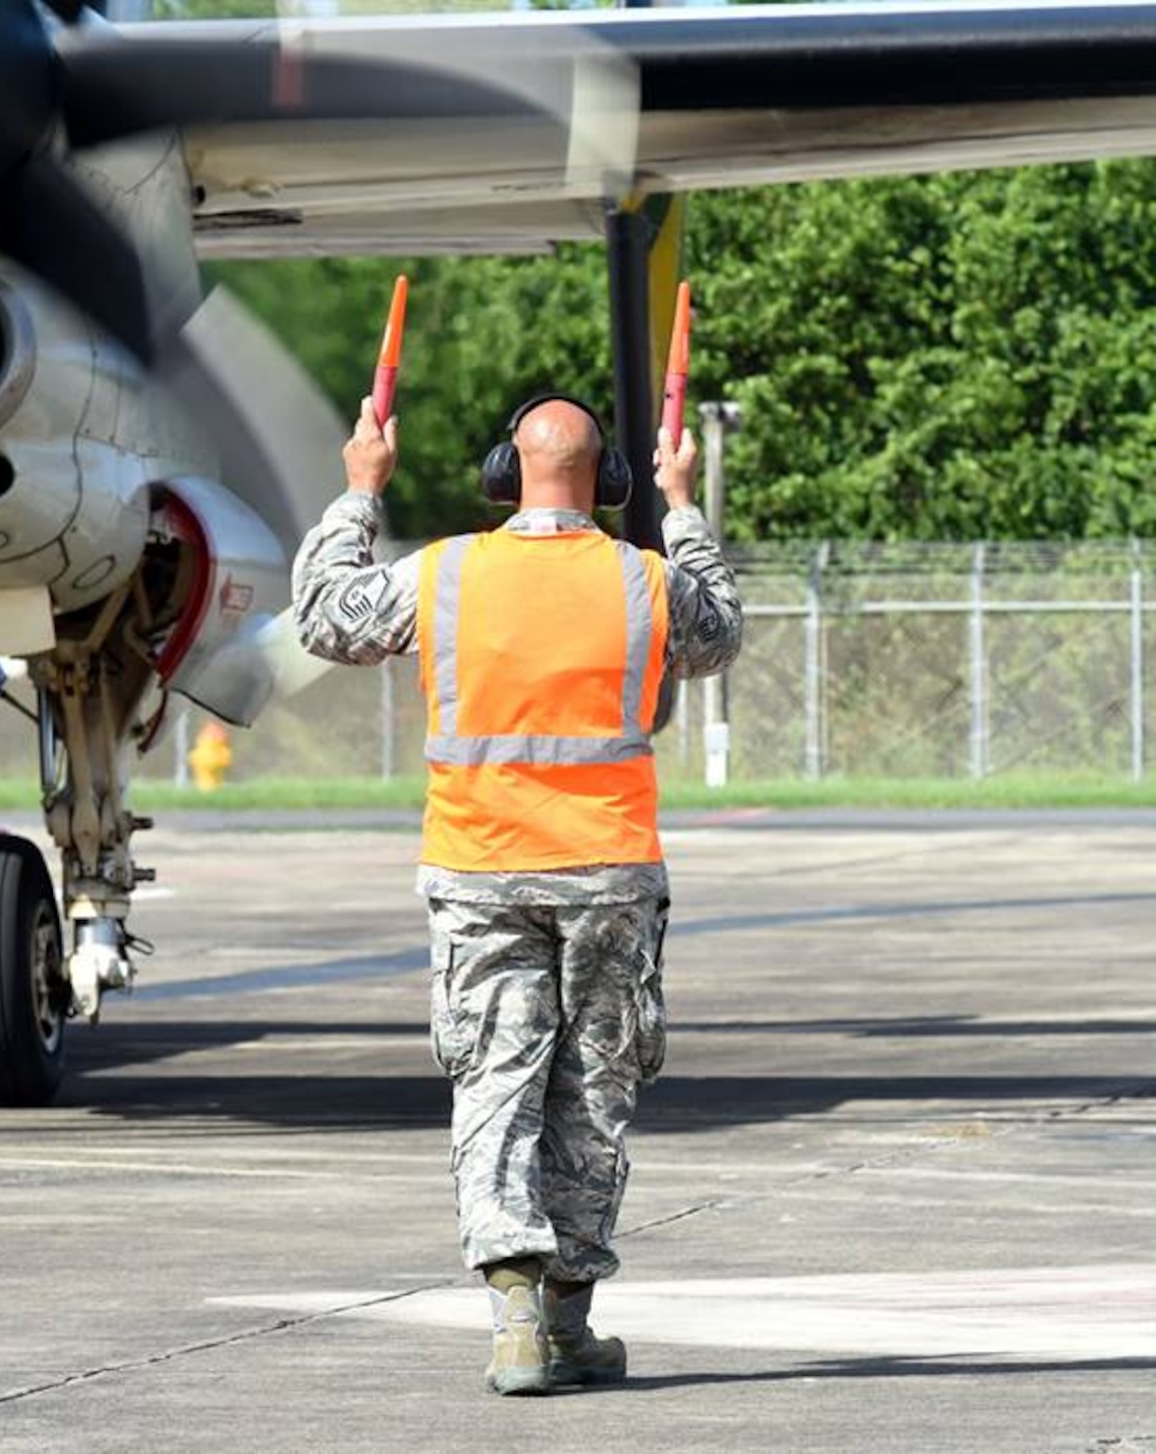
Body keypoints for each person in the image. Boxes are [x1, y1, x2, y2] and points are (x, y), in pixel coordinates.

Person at [291, 393, 743, 1396]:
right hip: (608, 871)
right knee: (593, 1091)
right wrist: (677, 505)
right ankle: (570, 1319)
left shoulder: (446, 572)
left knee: (495, 1080)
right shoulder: (643, 579)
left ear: (506, 473)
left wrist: (360, 490)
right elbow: (718, 636)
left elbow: (326, 618)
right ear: (605, 479)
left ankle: (512, 1322)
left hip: (477, 866)